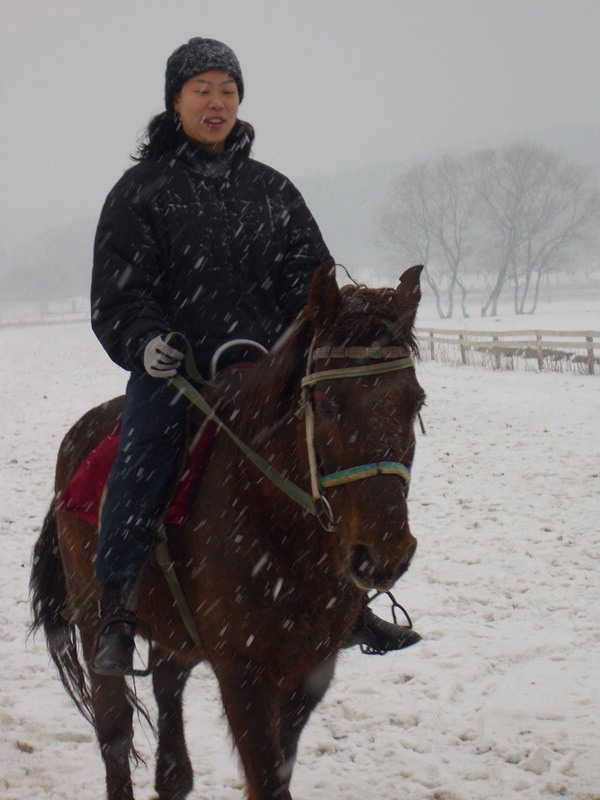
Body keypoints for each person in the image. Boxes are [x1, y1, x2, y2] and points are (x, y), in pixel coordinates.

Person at [90, 37, 421, 676]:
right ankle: (120, 604)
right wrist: (146, 342)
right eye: (202, 91)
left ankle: (349, 603)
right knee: (145, 453)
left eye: (228, 91)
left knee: (333, 457)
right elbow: (118, 292)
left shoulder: (272, 191)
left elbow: (312, 283)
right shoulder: (139, 192)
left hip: (269, 372)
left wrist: (344, 328)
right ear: (175, 101)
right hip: (179, 373)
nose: (216, 104)